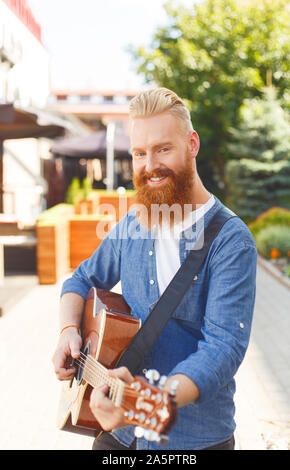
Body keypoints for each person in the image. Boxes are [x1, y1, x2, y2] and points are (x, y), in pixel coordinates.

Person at [52, 87, 257, 451]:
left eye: (164, 149)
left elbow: (224, 348)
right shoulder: (133, 223)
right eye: (140, 153)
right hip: (116, 433)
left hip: (192, 439)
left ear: (192, 144)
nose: (150, 165)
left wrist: (154, 398)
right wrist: (68, 329)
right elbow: (82, 279)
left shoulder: (231, 240)